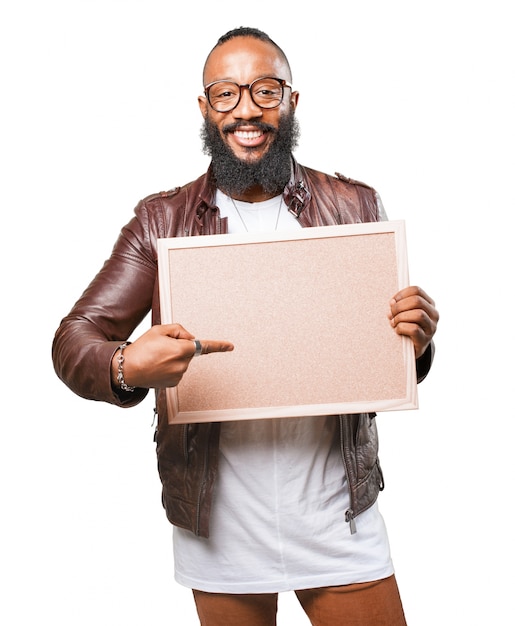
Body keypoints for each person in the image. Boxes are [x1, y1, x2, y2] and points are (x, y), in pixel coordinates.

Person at [52, 26, 439, 626]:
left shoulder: (356, 207)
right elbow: (75, 338)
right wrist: (126, 366)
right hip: (221, 523)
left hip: (338, 515)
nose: (247, 110)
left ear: (292, 102)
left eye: (265, 89)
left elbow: (386, 354)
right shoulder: (161, 221)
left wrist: (416, 340)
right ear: (205, 108)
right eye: (226, 94)